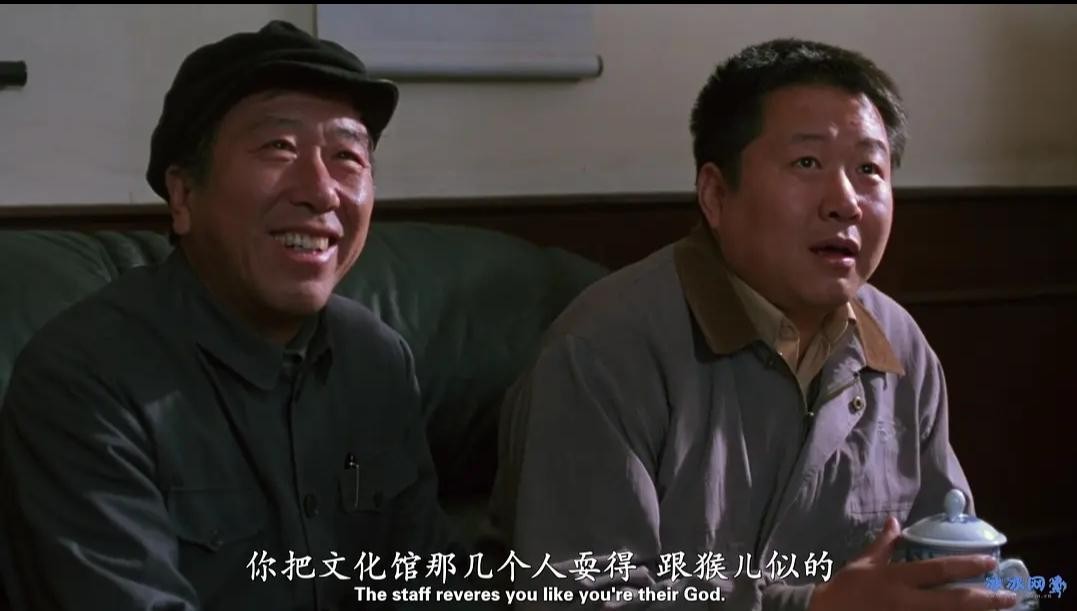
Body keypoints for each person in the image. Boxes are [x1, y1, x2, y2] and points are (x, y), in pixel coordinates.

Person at [491, 38, 1020, 611]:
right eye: (807, 163)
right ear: (716, 194)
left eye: (869, 169)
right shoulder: (603, 351)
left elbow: (948, 556)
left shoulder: (900, 343)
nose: (845, 202)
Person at [0, 20, 458, 611]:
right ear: (184, 196)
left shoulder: (377, 359)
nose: (321, 191)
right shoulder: (83, 381)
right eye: (279, 148)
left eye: (347, 156)